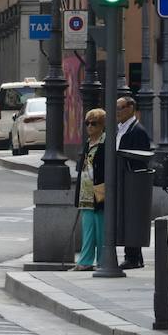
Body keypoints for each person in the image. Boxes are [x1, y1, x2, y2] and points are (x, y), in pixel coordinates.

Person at [115, 96, 152, 269]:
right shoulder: (119, 129)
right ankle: (134, 256)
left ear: (130, 108)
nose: (117, 111)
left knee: (132, 217)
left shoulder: (138, 131)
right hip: (121, 179)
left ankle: (133, 257)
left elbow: (141, 157)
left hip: (131, 180)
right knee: (125, 217)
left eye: (120, 108)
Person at [72, 108, 108, 271]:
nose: (90, 127)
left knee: (100, 229)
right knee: (87, 228)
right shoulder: (88, 143)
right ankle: (85, 261)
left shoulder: (106, 142)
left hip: (100, 191)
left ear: (102, 125)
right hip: (86, 192)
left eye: (94, 123)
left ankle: (103, 260)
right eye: (87, 123)